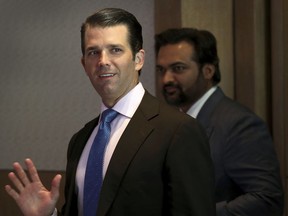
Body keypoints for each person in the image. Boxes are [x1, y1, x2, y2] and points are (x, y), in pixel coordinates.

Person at [5, 9, 216, 216]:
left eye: (115, 49)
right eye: (93, 52)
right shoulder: (80, 140)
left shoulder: (178, 131)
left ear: (138, 59)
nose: (103, 61)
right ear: (84, 65)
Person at [155, 28, 284, 216]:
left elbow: (267, 200)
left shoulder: (240, 124)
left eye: (178, 68)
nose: (166, 79)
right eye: (161, 70)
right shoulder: (170, 122)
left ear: (208, 71)